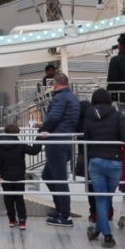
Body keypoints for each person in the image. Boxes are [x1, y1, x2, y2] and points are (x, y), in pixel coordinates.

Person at [81, 89, 125, 248]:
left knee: (101, 199)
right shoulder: (117, 115)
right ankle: (107, 235)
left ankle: (99, 231)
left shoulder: (88, 116)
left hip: (95, 161)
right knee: (106, 198)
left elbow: (85, 137)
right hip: (115, 161)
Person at [37, 73, 80, 228]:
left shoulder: (60, 98)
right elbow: (64, 119)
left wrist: (43, 128)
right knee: (47, 175)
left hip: (56, 142)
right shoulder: (72, 98)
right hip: (65, 140)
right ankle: (60, 208)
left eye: (52, 84)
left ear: (55, 84)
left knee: (59, 179)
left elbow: (54, 117)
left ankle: (65, 216)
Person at [0, 122, 41, 229]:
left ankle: (12, 220)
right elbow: (34, 151)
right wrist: (39, 137)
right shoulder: (21, 144)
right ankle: (22, 221)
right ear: (16, 133)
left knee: (8, 198)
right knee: (19, 198)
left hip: (5, 177)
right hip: (19, 176)